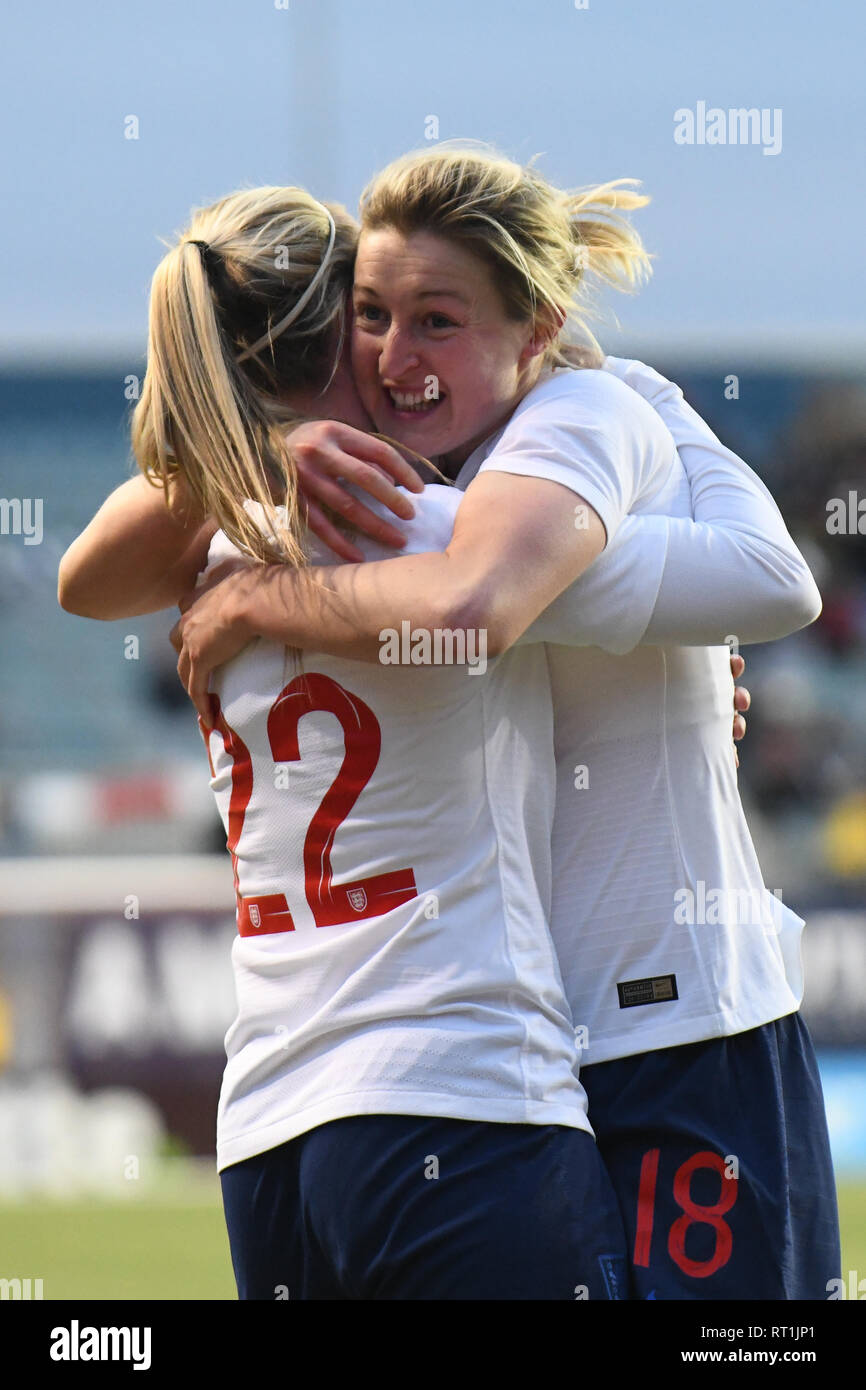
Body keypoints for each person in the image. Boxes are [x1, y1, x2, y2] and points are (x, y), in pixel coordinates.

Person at [163, 147, 839, 1301]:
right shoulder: (409, 492)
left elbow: (768, 583)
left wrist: (261, 594)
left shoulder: (575, 425)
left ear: (534, 332)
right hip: (515, 1063)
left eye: (436, 321)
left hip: (676, 1025)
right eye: (371, 317)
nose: (391, 356)